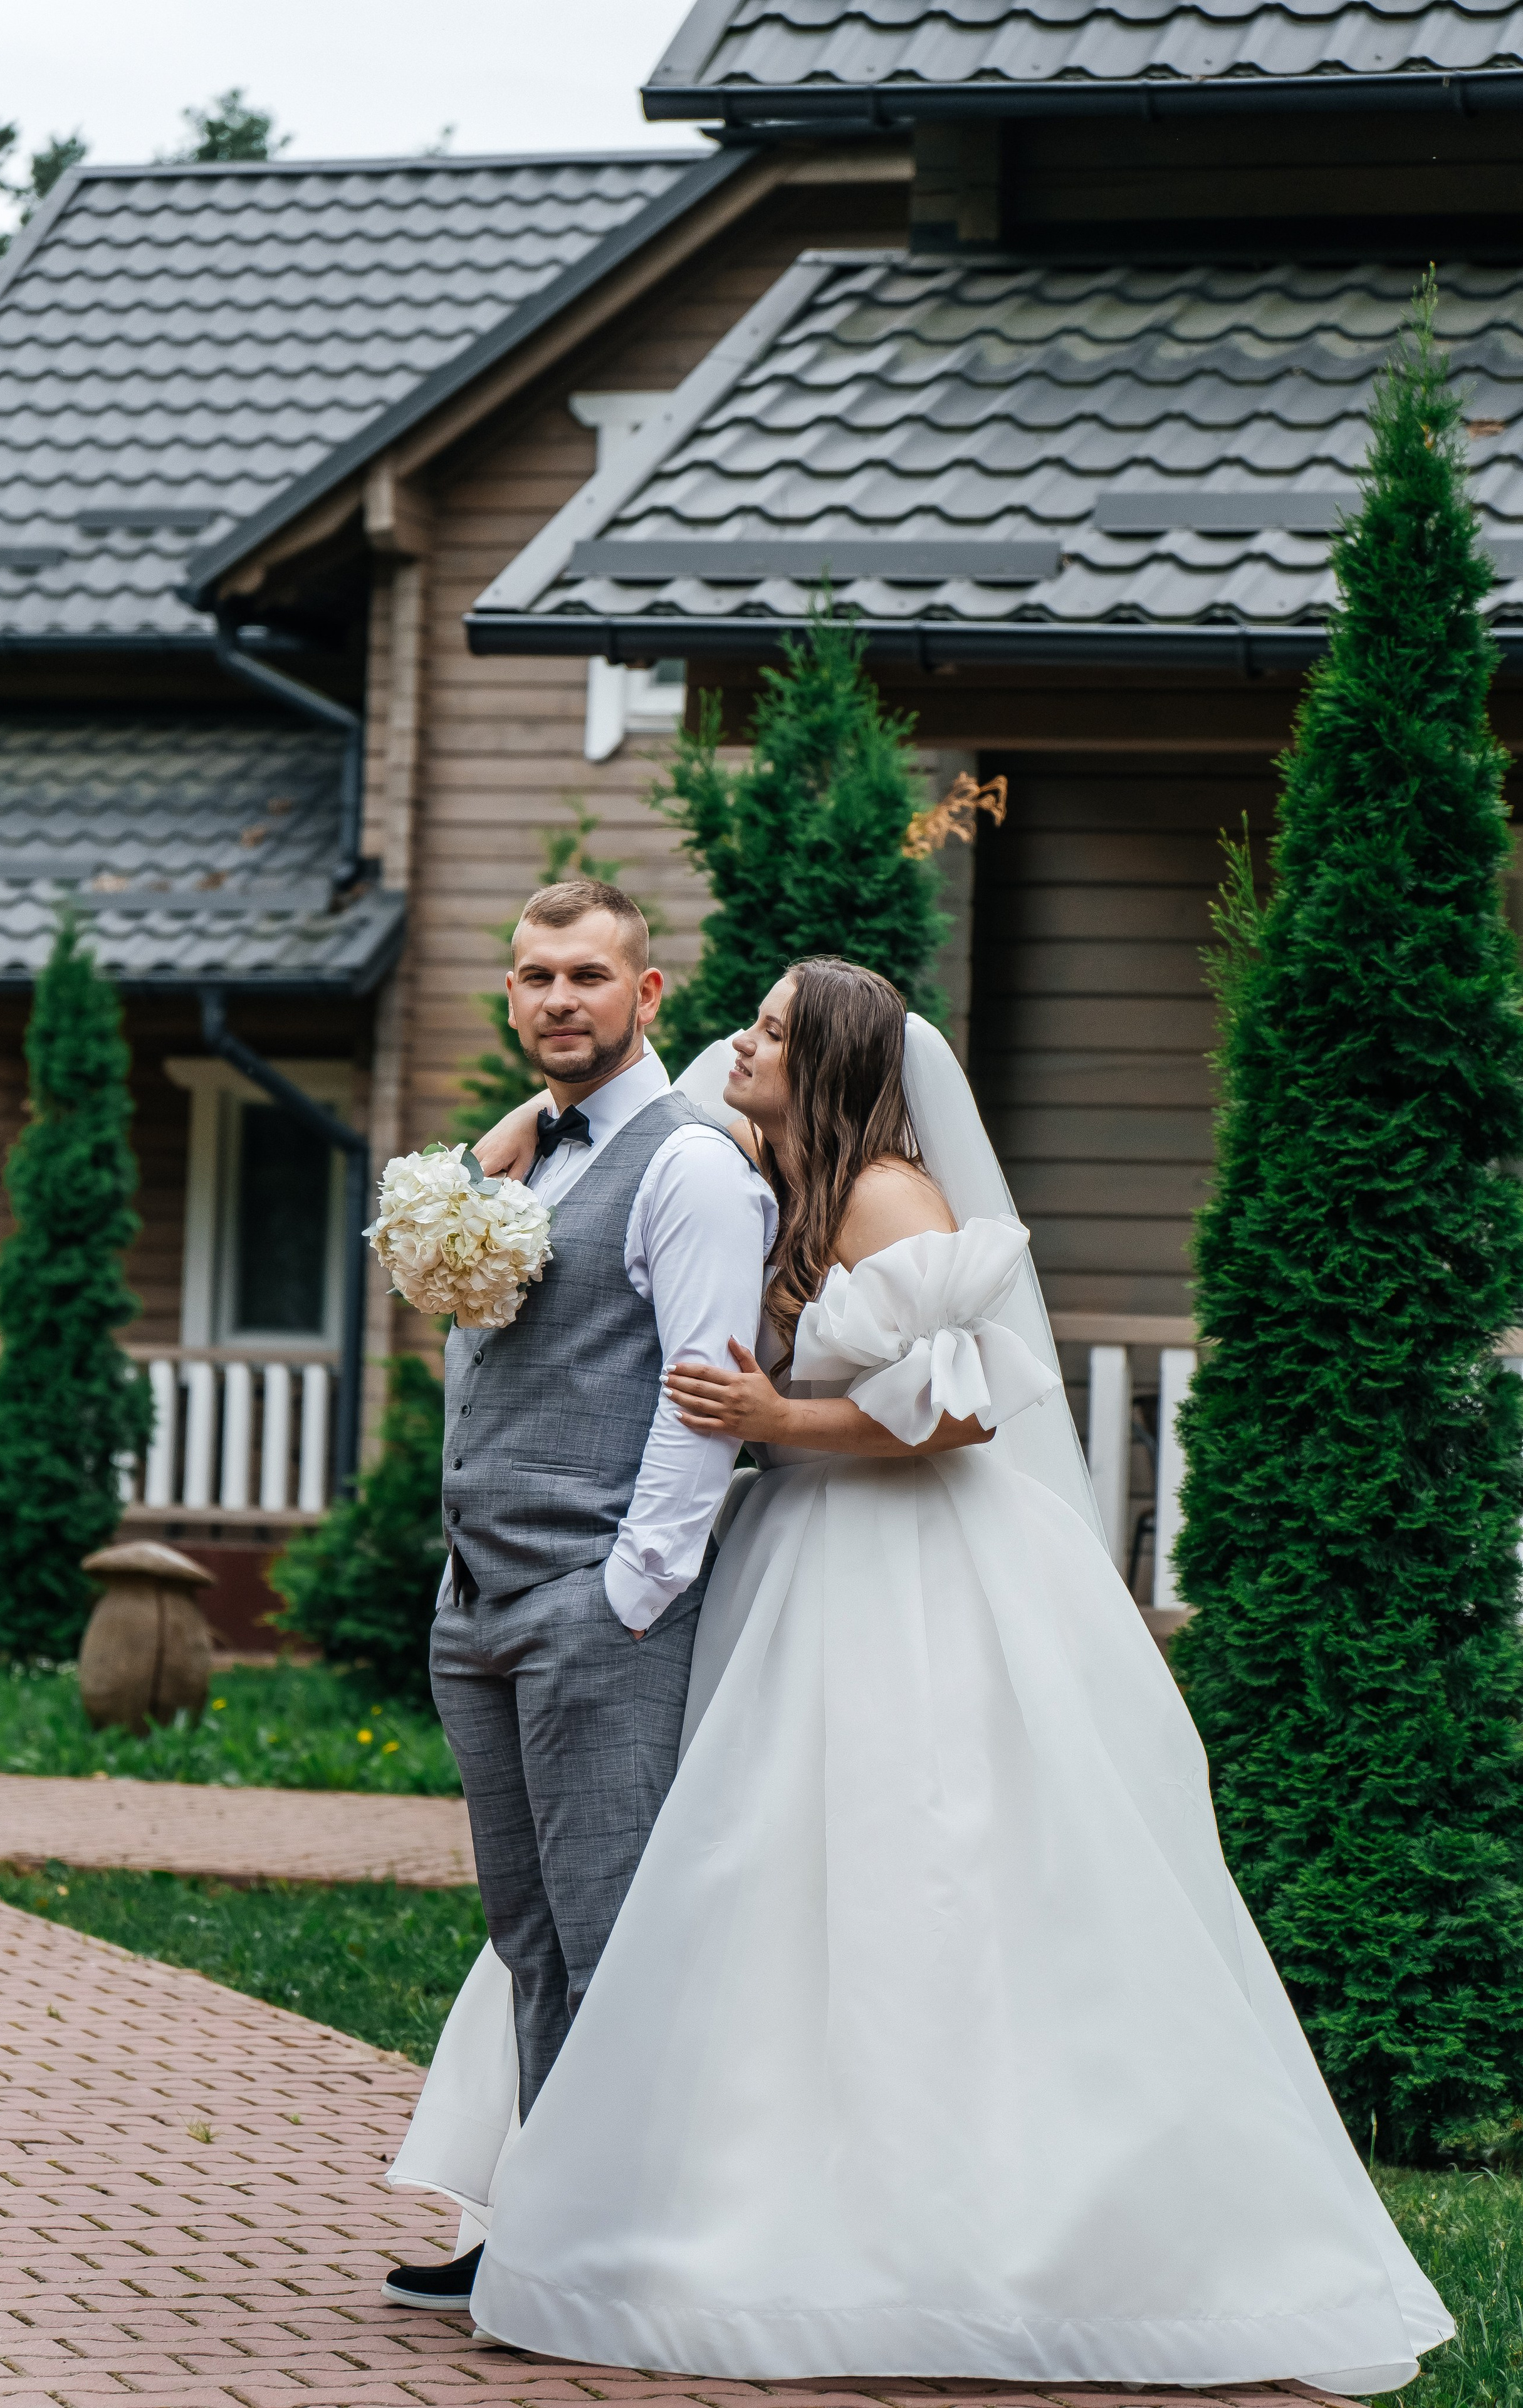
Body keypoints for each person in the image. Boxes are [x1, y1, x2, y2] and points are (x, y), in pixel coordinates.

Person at [389, 955, 1452, 2393]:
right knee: (712, 1872)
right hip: (784, 1551)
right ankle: (631, 2186)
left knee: (915, 1856)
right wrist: (517, 1129)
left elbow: (954, 1412)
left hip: (906, 1560)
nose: (738, 1043)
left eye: (767, 1030)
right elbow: (621, 1124)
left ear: (823, 1056)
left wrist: (776, 1413)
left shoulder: (891, 1193)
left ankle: (929, 2221)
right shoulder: (754, 1167)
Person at [379, 878, 775, 2311]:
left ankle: (630, 2258)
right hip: (475, 1605)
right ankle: (547, 2225)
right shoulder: (527, 1157)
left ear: (648, 993)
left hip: (590, 1607)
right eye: (537, 976)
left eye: (589, 976)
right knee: (529, 1936)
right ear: (510, 994)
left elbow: (703, 1390)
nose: (560, 1000)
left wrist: (628, 1588)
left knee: (612, 1936)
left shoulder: (688, 1167)